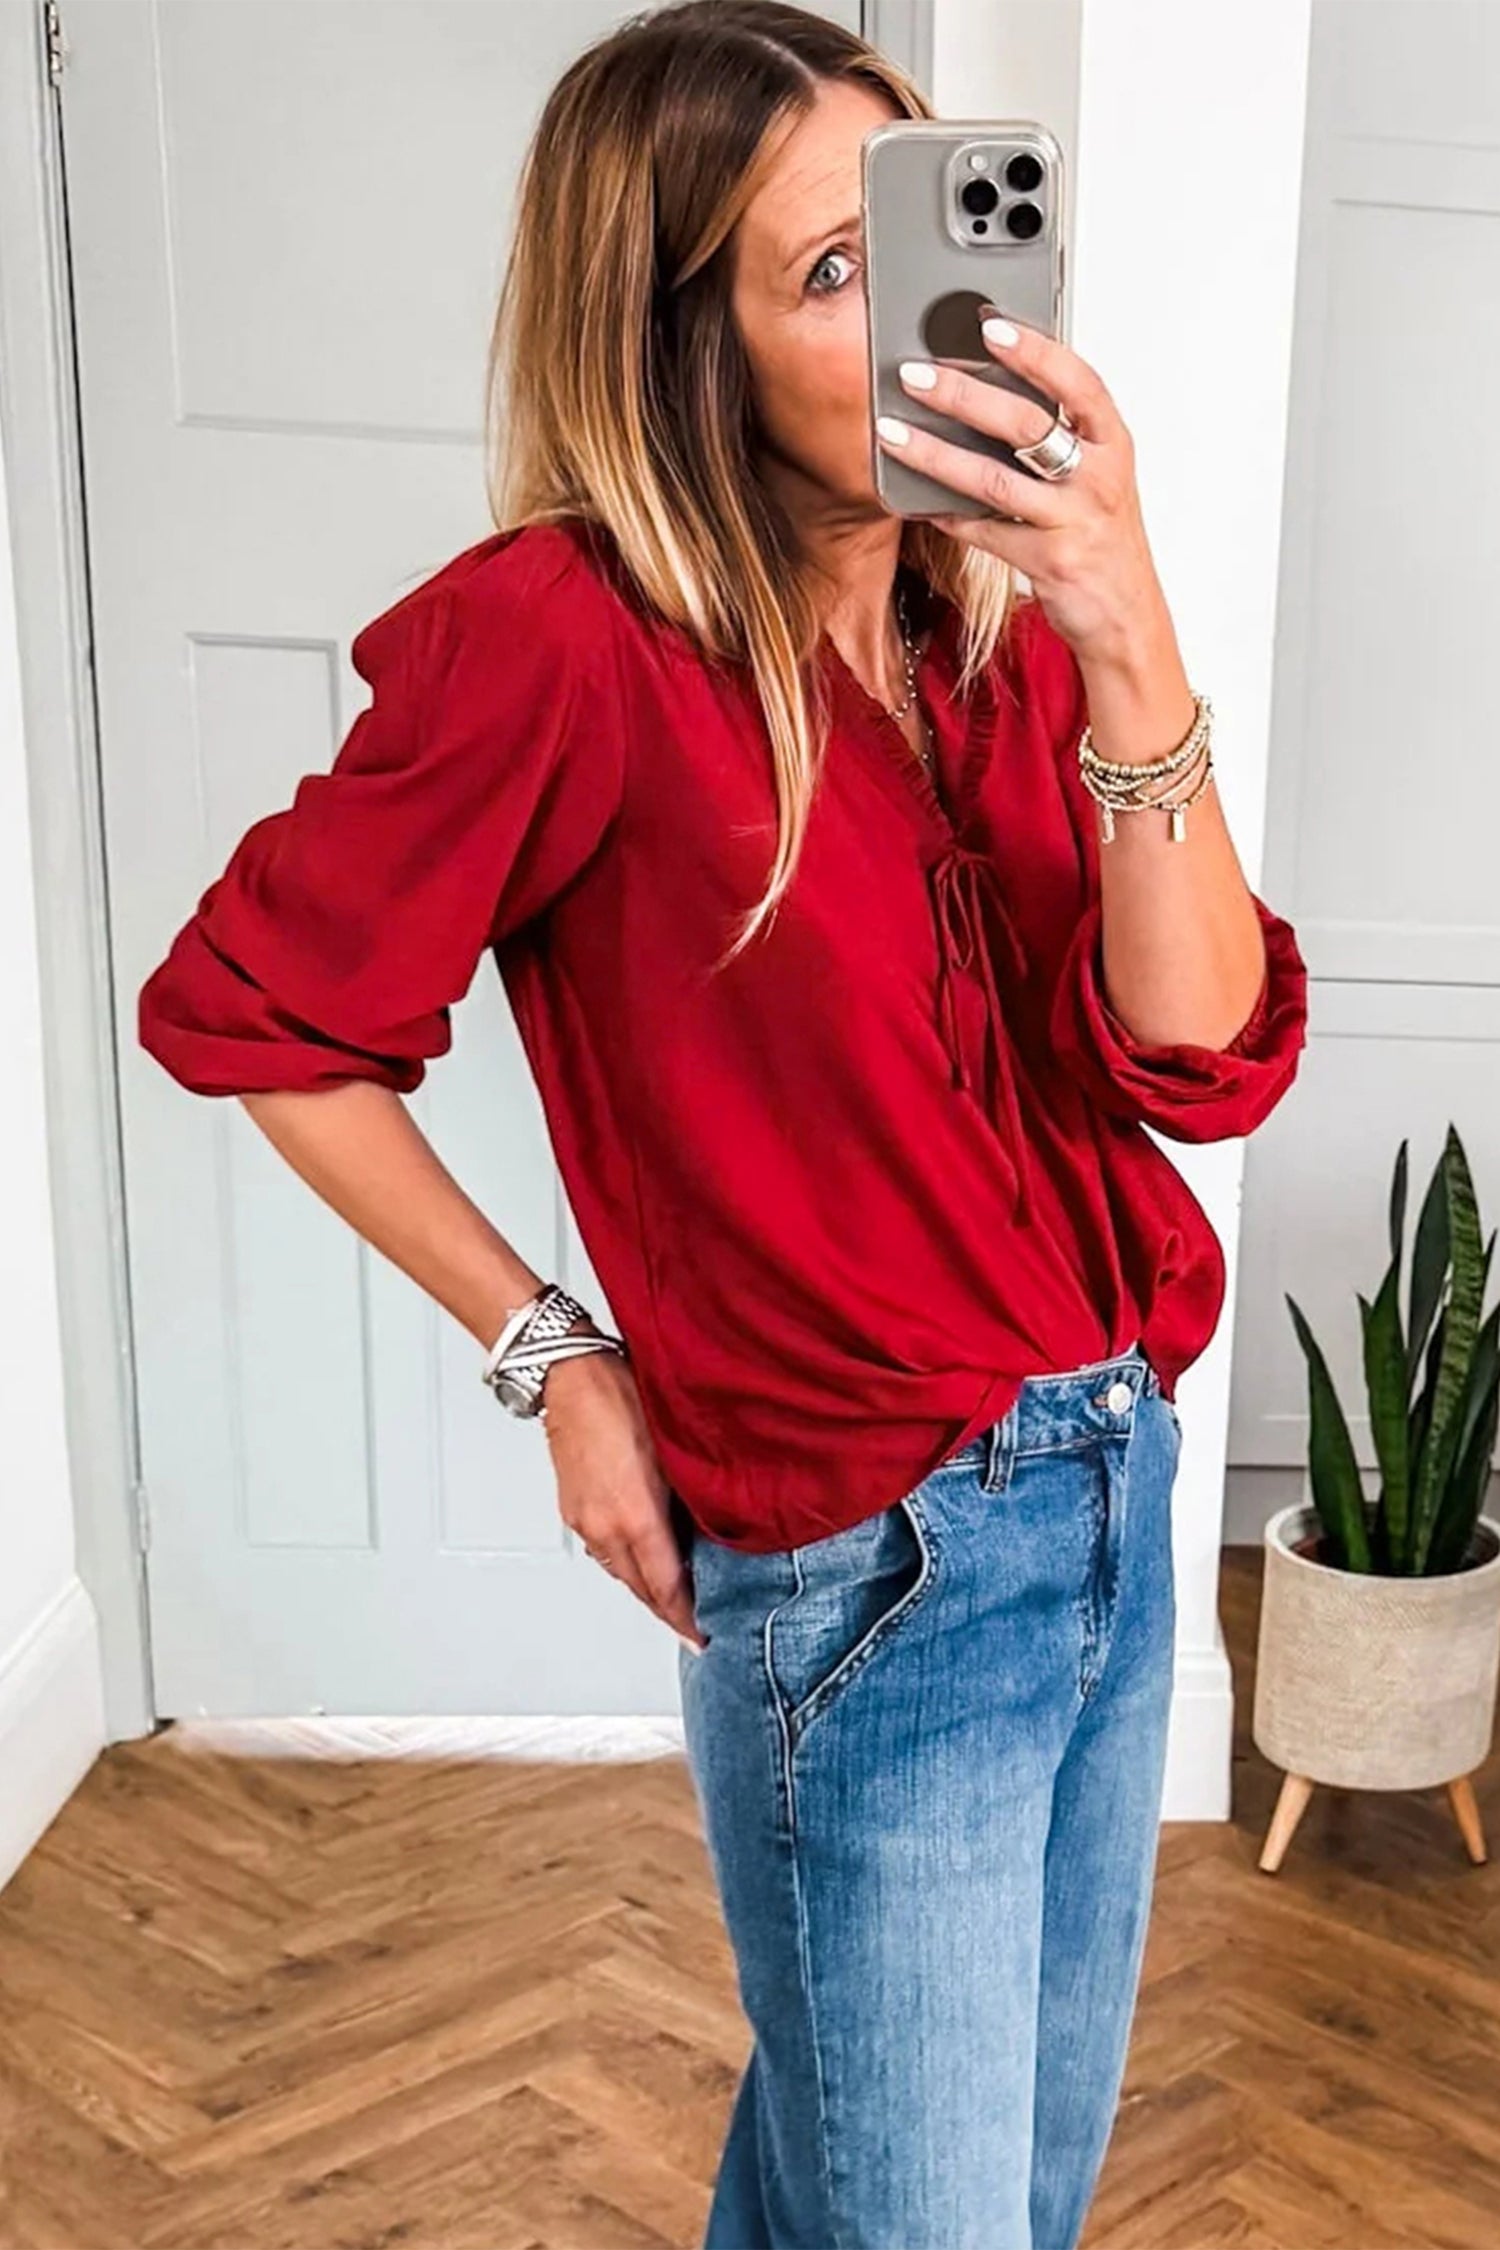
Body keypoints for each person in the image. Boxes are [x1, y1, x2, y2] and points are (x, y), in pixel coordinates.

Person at [136, 3, 1309, 2244]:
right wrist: (551, 1357)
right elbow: (259, 1012)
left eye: (912, 232)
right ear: (682, 341)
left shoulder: (1011, 640)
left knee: (944, 2200)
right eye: (825, 272)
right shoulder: (563, 644)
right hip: (877, 1570)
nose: (917, 319)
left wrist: (1129, 623)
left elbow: (1203, 1054)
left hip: (1112, 1508)